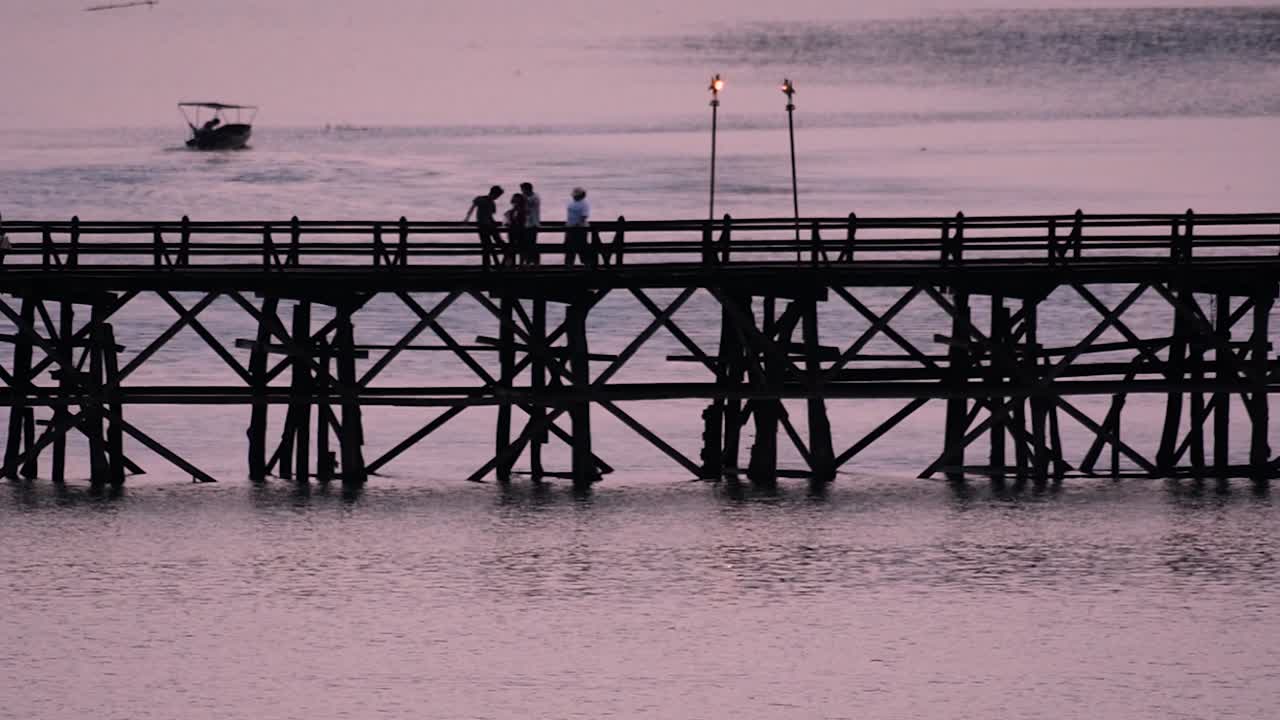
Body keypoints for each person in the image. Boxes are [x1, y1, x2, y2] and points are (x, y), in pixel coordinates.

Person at [464, 185, 504, 269]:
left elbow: (490, 215)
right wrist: (466, 219)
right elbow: (472, 208)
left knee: (495, 244)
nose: (497, 198)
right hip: (483, 226)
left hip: (489, 226)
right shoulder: (481, 199)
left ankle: (497, 264)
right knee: (487, 246)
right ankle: (491, 265)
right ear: (493, 193)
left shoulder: (492, 202)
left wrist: (494, 225)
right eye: (497, 196)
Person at [564, 187, 590, 266]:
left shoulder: (584, 204)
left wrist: (577, 224)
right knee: (569, 247)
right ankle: (569, 264)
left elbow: (584, 216)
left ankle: (586, 263)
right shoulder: (571, 203)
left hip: (580, 229)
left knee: (581, 247)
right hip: (570, 227)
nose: (574, 196)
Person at [504, 192, 528, 267]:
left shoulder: (522, 211)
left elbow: (523, 221)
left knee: (521, 249)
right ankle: (513, 265)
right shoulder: (511, 212)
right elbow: (507, 221)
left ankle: (519, 265)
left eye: (516, 202)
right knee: (514, 248)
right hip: (513, 231)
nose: (515, 203)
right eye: (514, 202)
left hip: (520, 231)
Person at [520, 182, 541, 265]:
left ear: (526, 189)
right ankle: (527, 262)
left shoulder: (535, 197)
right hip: (525, 224)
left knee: (531, 244)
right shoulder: (526, 197)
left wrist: (523, 199)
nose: (522, 192)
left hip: (533, 224)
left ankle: (534, 262)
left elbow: (530, 205)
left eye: (523, 190)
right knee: (525, 245)